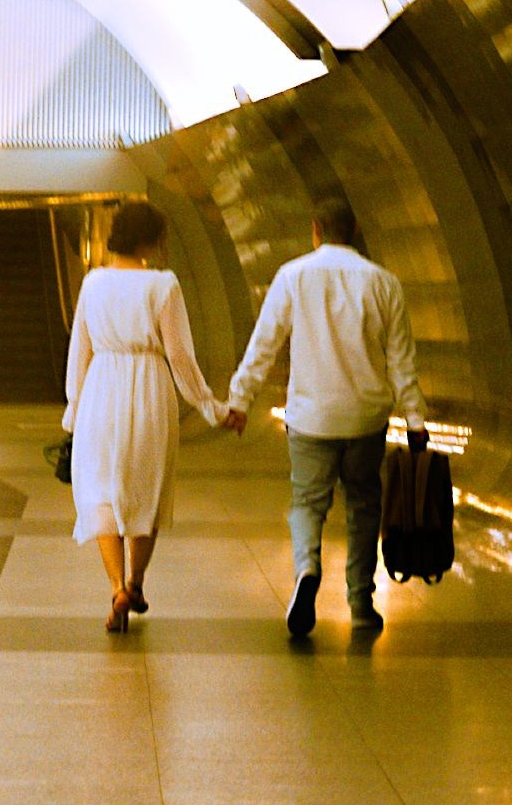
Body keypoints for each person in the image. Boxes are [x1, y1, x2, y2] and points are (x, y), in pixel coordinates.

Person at [222, 197, 426, 637]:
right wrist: (415, 419)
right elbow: (401, 360)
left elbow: (264, 344)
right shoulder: (385, 282)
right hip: (365, 418)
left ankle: (307, 568)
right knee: (363, 506)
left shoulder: (292, 276)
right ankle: (361, 602)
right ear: (354, 231)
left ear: (316, 230)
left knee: (307, 502)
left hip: (311, 416)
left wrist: (240, 399)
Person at [63, 200, 233, 632]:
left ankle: (116, 587)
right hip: (149, 390)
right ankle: (136, 583)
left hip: (101, 389)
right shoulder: (163, 285)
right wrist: (211, 407)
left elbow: (79, 351)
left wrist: (75, 409)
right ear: (153, 240)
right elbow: (180, 356)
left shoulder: (93, 282)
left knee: (101, 490)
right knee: (145, 487)